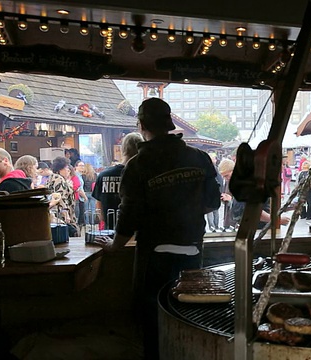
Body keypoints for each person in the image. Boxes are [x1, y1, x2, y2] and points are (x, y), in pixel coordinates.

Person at [97, 98, 221, 360]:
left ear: (141, 124)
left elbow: (128, 216)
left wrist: (114, 246)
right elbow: (212, 202)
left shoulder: (137, 165)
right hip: (192, 249)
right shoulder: (199, 157)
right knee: (188, 312)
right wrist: (185, 213)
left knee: (152, 316)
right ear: (170, 121)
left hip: (154, 253)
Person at [92, 132, 144, 229]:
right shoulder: (143, 175)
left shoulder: (104, 175)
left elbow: (99, 207)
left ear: (123, 149)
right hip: (137, 232)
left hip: (110, 231)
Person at [46, 156, 78, 236]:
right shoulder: (58, 179)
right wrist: (66, 214)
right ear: (60, 169)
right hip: (62, 216)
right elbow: (60, 197)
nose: (68, 170)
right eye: (66, 167)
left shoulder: (53, 177)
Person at [218, 158, 237, 229]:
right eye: (223, 176)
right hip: (228, 219)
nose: (226, 178)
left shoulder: (241, 183)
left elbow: (244, 206)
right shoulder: (228, 181)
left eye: (227, 175)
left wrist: (230, 199)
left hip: (236, 221)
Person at [206, 153, 224, 231]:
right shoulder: (215, 169)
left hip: (209, 194)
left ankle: (212, 227)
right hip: (215, 193)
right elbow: (220, 181)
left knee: (211, 212)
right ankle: (215, 227)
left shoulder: (208, 169)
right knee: (215, 211)